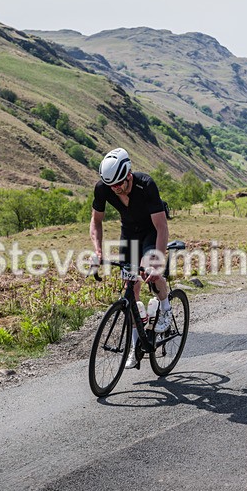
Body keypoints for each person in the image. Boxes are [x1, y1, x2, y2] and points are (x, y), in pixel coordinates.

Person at [90, 147, 171, 368]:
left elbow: (162, 227)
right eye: (111, 186)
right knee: (130, 286)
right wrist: (98, 251)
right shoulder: (104, 188)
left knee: (147, 270)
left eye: (120, 184)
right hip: (129, 233)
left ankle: (165, 308)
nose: (116, 189)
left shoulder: (146, 185)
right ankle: (135, 347)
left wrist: (156, 263)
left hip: (151, 230)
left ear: (128, 174)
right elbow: (96, 221)